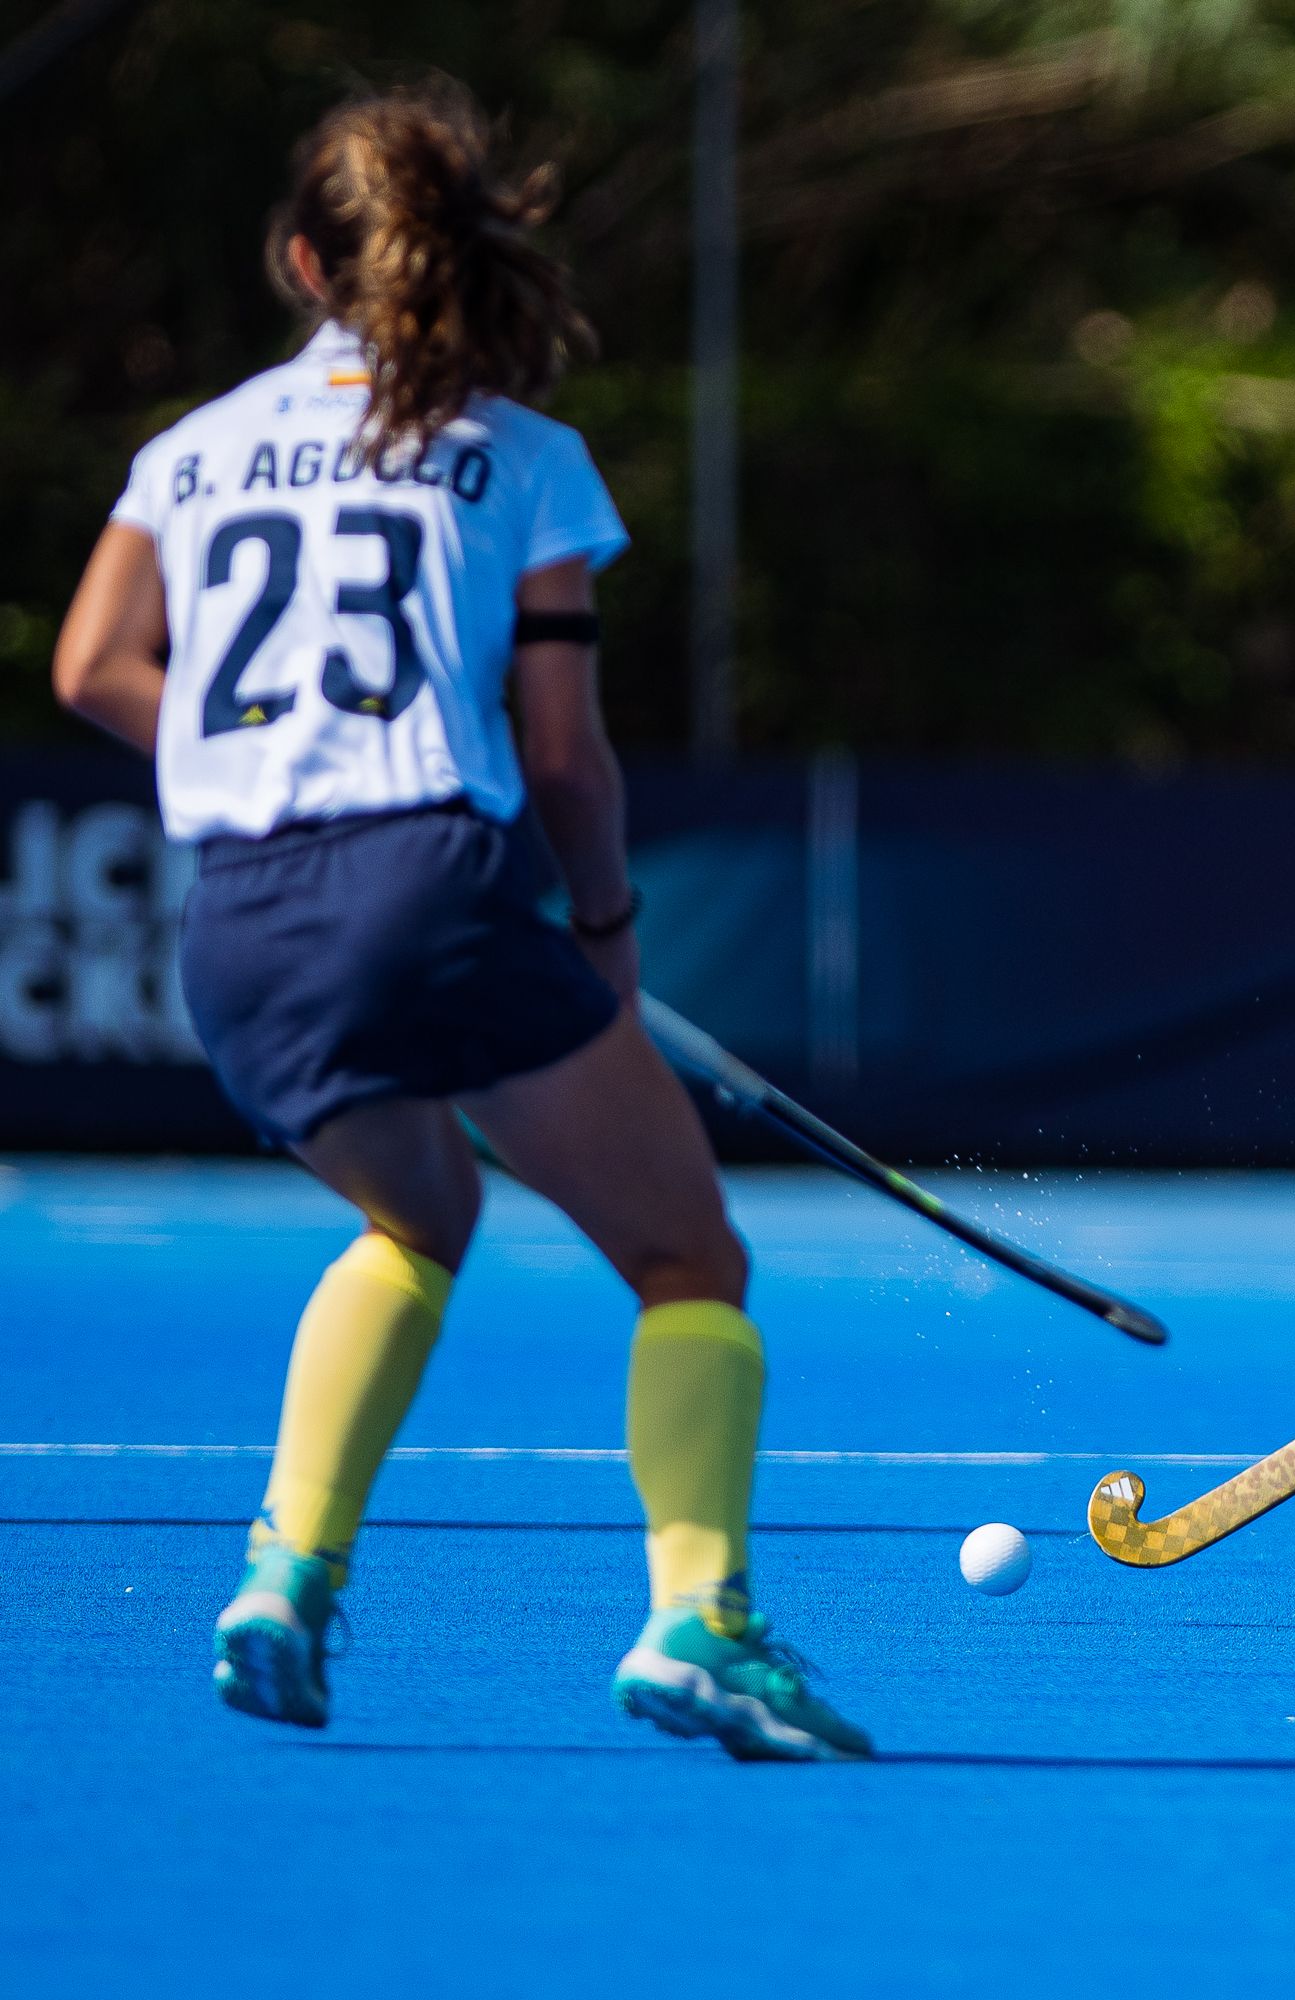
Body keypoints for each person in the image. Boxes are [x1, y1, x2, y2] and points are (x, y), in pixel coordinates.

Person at [48, 86, 868, 1757]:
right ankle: (700, 1618)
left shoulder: (187, 453)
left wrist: (247, 748)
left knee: (415, 1218)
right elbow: (562, 750)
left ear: (300, 260)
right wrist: (608, 930)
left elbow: (87, 668)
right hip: (430, 878)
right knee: (686, 1256)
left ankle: (285, 1577)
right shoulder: (524, 457)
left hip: (244, 918)